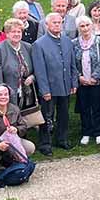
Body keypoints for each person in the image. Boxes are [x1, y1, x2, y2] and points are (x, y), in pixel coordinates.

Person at [32, 12, 78, 152]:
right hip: (50, 87)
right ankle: (45, 143)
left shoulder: (67, 41)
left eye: (59, 22)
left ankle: (62, 139)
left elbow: (72, 64)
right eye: (54, 23)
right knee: (47, 116)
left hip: (65, 85)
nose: (57, 25)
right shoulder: (39, 44)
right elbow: (39, 70)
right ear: (47, 25)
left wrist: (74, 82)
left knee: (64, 115)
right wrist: (45, 90)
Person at [74, 15, 100, 146]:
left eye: (87, 25)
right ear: (79, 28)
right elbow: (72, 63)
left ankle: (98, 132)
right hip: (82, 82)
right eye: (82, 26)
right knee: (84, 108)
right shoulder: (74, 43)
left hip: (96, 81)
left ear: (92, 26)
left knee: (97, 107)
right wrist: (79, 77)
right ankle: (86, 132)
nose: (85, 28)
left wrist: (95, 77)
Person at [0, 18, 36, 110]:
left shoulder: (28, 47)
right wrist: (2, 94)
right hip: (9, 95)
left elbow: (36, 68)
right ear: (7, 34)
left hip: (28, 93)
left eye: (19, 32)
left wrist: (32, 77)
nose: (16, 34)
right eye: (13, 32)